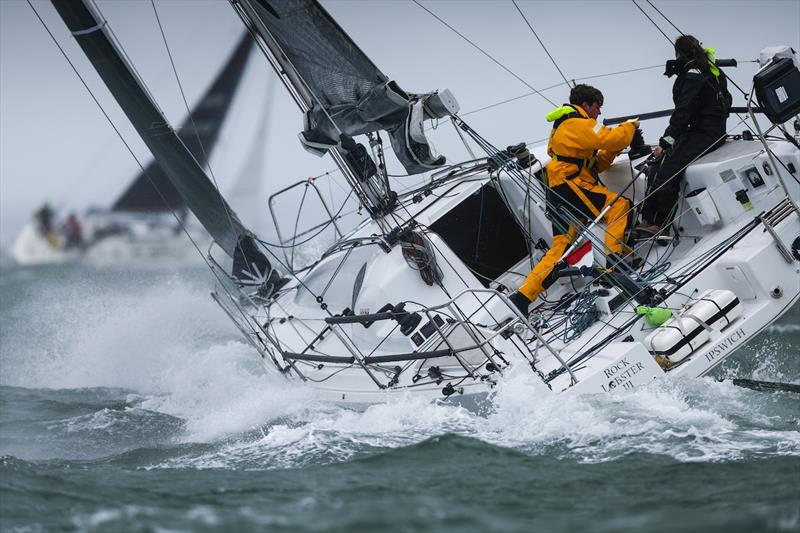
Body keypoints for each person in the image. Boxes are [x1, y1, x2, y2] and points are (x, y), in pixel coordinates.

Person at [509, 84, 638, 314]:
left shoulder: (569, 126)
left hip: (561, 189)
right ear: (586, 105)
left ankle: (522, 296)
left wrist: (614, 151)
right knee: (619, 205)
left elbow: (594, 164)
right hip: (571, 187)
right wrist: (630, 127)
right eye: (597, 107)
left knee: (561, 249)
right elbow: (613, 138)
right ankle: (615, 263)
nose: (599, 113)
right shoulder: (576, 123)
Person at [638, 35, 732, 233]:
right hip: (710, 131)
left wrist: (665, 143)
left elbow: (683, 113)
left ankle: (659, 224)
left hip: (704, 134)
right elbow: (727, 100)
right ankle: (646, 221)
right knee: (656, 165)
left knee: (667, 168)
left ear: (677, 53)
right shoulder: (711, 69)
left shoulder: (692, 75)